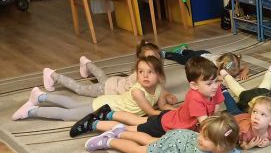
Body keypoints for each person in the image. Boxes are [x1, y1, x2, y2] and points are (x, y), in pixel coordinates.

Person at [72, 56, 224, 139]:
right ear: (194, 85)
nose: (214, 86)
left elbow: (216, 112)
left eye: (215, 81)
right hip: (166, 125)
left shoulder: (214, 88)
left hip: (170, 116)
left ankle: (108, 113)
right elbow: (205, 124)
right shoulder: (195, 97)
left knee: (139, 120)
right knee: (131, 129)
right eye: (209, 83)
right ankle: (93, 124)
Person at [12, 55, 172, 124]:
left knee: (73, 105)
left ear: (159, 75)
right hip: (105, 107)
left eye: (150, 72)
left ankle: (40, 96)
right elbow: (151, 112)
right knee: (69, 115)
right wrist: (174, 116)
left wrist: (177, 110)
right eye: (141, 72)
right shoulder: (138, 91)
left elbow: (163, 106)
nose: (145, 76)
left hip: (110, 102)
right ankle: (31, 111)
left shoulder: (158, 88)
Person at [84, 114, 243, 153]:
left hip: (180, 139)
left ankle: (120, 132)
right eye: (201, 133)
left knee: (151, 141)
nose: (200, 138)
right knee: (141, 152)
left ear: (222, 146)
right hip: (176, 145)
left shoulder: (232, 151)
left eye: (206, 137)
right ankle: (109, 141)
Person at [41, 40, 176, 105]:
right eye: (147, 59)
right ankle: (52, 75)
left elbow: (158, 88)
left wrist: (167, 94)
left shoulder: (158, 74)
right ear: (140, 63)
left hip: (116, 81)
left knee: (101, 75)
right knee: (80, 89)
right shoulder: (142, 77)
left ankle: (86, 63)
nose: (152, 62)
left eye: (155, 58)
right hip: (107, 90)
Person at [164, 47, 250, 82]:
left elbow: (246, 67)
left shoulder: (233, 65)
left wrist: (243, 73)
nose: (233, 76)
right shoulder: (212, 66)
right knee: (183, 60)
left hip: (205, 53)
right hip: (197, 58)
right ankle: (166, 54)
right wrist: (221, 77)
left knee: (191, 53)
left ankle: (183, 50)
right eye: (230, 74)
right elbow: (212, 77)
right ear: (221, 68)